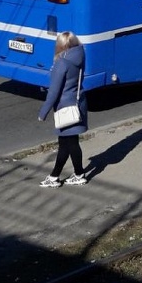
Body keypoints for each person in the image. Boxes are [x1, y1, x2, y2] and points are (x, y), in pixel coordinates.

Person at [37, 32, 89, 186]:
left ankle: (61, 177)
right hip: (77, 103)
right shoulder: (80, 55)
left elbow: (54, 91)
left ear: (61, 46)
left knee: (68, 143)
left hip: (65, 106)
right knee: (69, 142)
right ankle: (69, 175)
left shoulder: (62, 63)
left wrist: (43, 112)